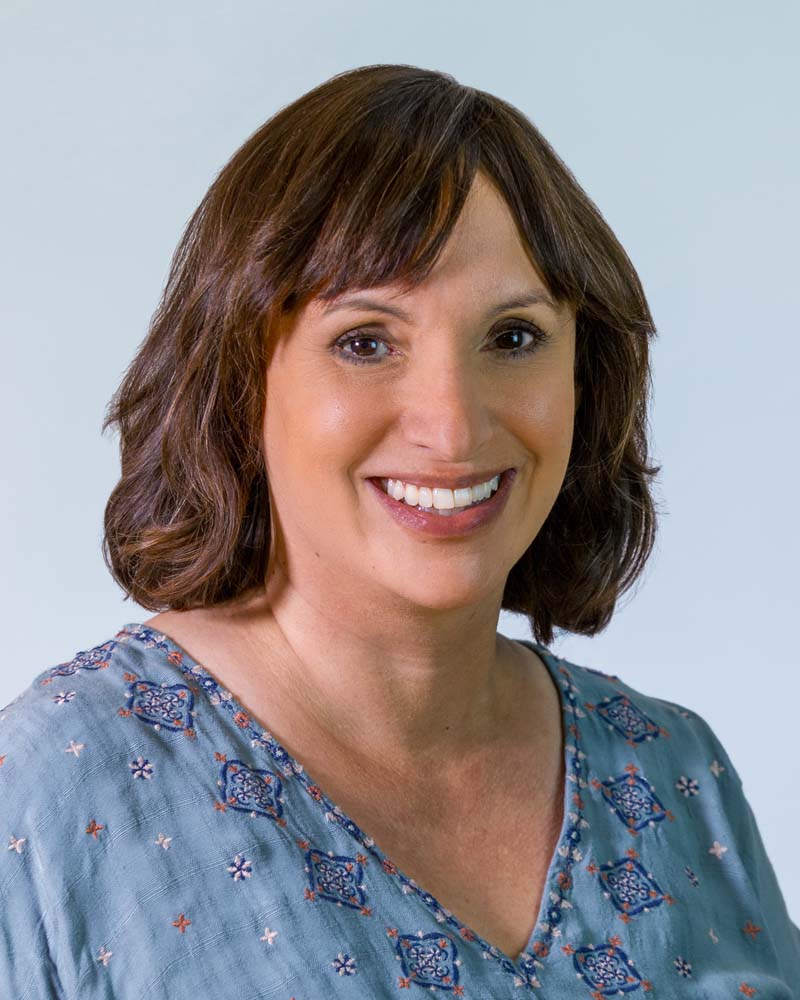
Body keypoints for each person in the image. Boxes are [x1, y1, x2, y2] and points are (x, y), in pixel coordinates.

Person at [2, 63, 798, 999]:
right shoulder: (55, 789)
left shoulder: (676, 774)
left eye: (512, 338)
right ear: (241, 379)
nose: (453, 427)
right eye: (366, 341)